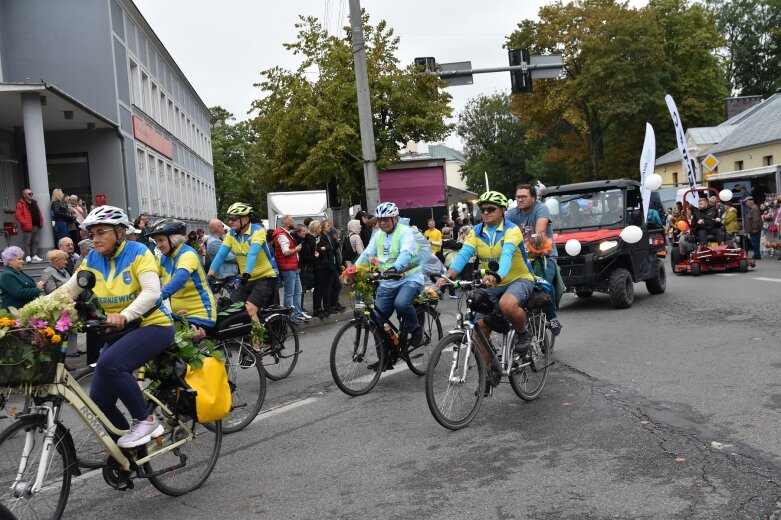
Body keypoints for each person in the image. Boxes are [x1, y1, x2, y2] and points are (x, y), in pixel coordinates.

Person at [53, 205, 174, 448]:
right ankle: (131, 453)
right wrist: (27, 315)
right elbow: (66, 291)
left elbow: (152, 293)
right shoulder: (93, 259)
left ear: (119, 232)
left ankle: (145, 420)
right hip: (119, 330)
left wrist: (126, 314)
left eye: (101, 233)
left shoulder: (139, 252)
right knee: (99, 400)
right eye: (92, 234)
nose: (94, 239)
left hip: (153, 325)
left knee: (110, 365)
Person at [436, 191, 536, 353]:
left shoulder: (512, 230)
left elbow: (507, 254)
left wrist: (499, 275)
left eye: (491, 209)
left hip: (518, 279)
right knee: (479, 326)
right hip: (491, 282)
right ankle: (490, 372)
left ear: (502, 210)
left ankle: (523, 333)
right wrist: (449, 275)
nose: (485, 213)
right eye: (482, 210)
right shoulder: (476, 231)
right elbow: (464, 254)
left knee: (507, 304)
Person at [353, 202, 425, 370]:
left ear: (395, 219)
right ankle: (385, 358)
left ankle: (415, 329)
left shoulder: (405, 232)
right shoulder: (377, 234)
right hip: (387, 281)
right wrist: (352, 270)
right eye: (379, 220)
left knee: (401, 303)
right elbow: (367, 253)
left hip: (409, 278)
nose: (382, 223)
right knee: (377, 320)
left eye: (386, 219)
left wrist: (395, 268)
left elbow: (406, 252)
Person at [506, 184, 563, 336]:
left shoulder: (541, 208)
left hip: (544, 255)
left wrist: (533, 242)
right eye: (518, 197)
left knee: (544, 284)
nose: (520, 200)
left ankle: (552, 318)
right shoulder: (512, 213)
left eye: (524, 196)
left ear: (533, 197)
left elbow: (541, 230)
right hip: (521, 259)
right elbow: (501, 228)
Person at [208, 203, 278, 320]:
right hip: (247, 279)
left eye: (234, 219)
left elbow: (253, 253)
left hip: (265, 277)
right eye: (229, 219)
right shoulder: (231, 234)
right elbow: (221, 255)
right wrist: (210, 275)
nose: (230, 222)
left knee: (250, 308)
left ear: (245, 219)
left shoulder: (257, 231)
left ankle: (257, 338)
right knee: (233, 309)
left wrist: (247, 273)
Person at [146, 219, 217, 332]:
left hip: (199, 316)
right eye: (156, 241)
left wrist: (157, 297)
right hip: (179, 316)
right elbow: (148, 273)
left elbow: (179, 280)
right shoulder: (165, 258)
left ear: (173, 239)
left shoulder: (187, 255)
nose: (158, 245)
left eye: (161, 240)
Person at [39, 249, 81, 356]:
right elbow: (50, 290)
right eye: (64, 260)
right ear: (56, 260)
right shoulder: (48, 271)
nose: (66, 262)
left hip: (68, 304)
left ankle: (72, 350)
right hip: (57, 307)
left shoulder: (64, 271)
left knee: (71, 328)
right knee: (61, 331)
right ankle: (63, 354)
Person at [272, 215, 309, 323]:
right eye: (291, 221)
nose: (293, 222)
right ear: (286, 223)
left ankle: (296, 313)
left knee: (298, 291)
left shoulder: (285, 234)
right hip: (288, 268)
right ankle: (289, 316)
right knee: (290, 293)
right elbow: (286, 252)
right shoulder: (282, 235)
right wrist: (296, 249)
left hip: (293, 267)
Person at [14, 188, 44, 262]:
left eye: (31, 193)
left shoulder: (34, 202)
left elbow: (39, 212)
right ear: (24, 195)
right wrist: (24, 223)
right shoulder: (20, 203)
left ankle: (34, 255)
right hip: (27, 227)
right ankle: (27, 256)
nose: (31, 195)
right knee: (27, 242)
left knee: (35, 241)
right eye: (29, 194)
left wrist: (41, 221)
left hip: (36, 225)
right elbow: (18, 215)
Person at [297, 222, 316, 314]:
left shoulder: (304, 241)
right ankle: (299, 308)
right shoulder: (304, 243)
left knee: (302, 290)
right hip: (304, 268)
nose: (305, 232)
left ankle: (300, 307)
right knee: (301, 290)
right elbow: (304, 258)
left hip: (305, 268)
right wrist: (314, 257)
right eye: (303, 231)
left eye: (306, 231)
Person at [440, 226, 461, 299]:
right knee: (450, 277)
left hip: (446, 260)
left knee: (446, 276)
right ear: (449, 233)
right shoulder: (450, 241)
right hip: (451, 260)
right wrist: (460, 240)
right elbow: (459, 246)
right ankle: (452, 294)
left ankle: (441, 291)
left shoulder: (442, 240)